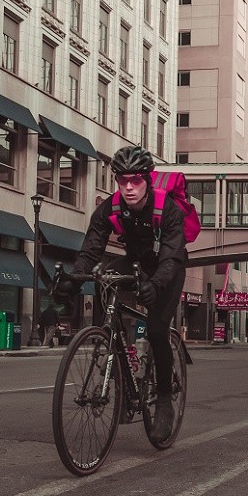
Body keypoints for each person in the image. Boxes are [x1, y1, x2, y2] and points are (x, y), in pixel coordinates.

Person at [54, 145, 187, 444]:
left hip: (168, 267)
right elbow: (91, 249)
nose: (128, 187)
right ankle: (110, 341)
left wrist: (157, 284)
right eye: (122, 180)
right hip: (136, 261)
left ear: (147, 180)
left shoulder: (168, 209)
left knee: (156, 330)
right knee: (105, 278)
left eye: (136, 180)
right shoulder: (109, 208)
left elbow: (171, 256)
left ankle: (164, 399)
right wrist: (74, 280)